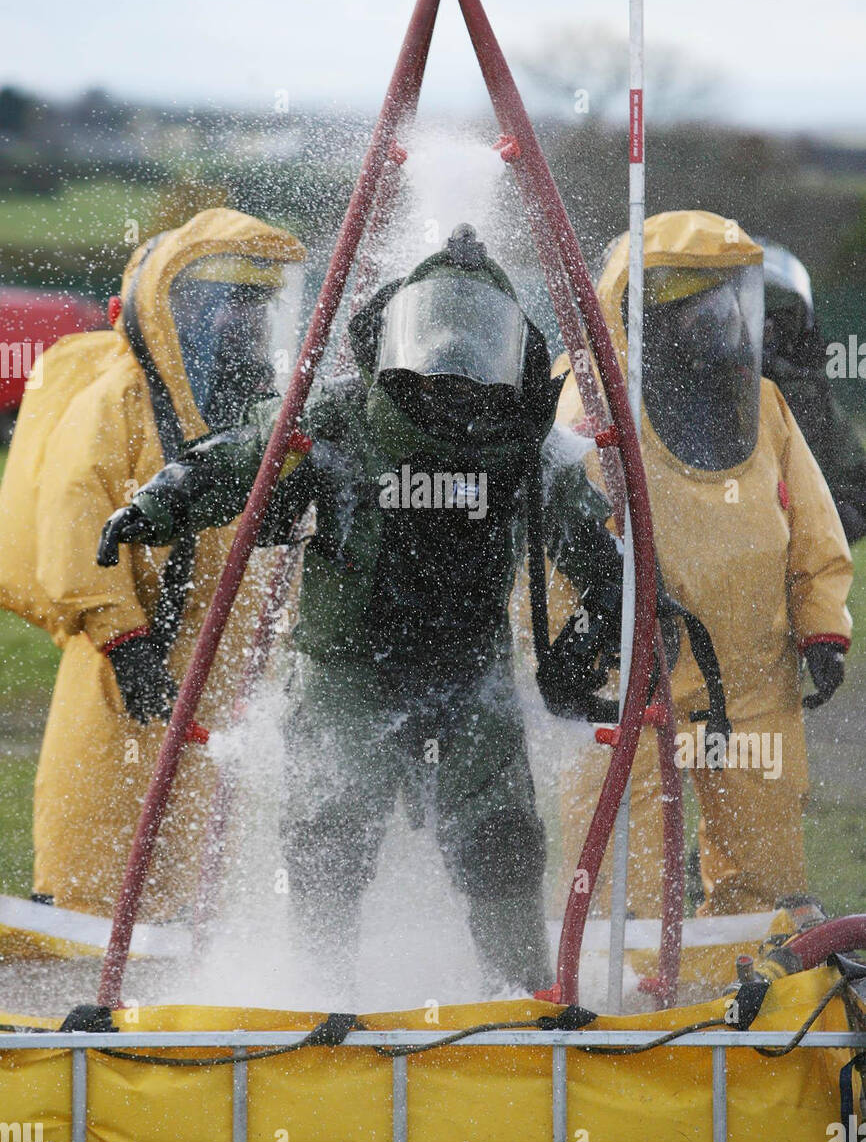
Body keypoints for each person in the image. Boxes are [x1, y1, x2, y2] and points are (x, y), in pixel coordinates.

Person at [97, 224, 620, 993]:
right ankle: (319, 995)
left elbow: (606, 563)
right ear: (397, 339)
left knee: (501, 839)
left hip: (470, 675)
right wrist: (162, 500)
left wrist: (599, 632)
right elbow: (245, 458)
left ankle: (528, 1005)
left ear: (513, 363)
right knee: (328, 833)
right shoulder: (340, 420)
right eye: (438, 349)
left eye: (476, 357)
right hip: (347, 674)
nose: (453, 376)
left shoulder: (525, 447)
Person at [0, 208, 305, 919]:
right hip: (125, 665)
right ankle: (82, 938)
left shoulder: (256, 412)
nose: (246, 323)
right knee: (103, 815)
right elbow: (72, 526)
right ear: (180, 311)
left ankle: (174, 953)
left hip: (219, 672)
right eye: (230, 304)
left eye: (257, 306)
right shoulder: (116, 403)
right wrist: (125, 640)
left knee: (198, 841)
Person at [548, 210, 853, 918]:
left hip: (751, 683)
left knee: (765, 866)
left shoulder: (765, 404)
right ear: (644, 316)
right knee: (624, 879)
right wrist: (582, 659)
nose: (714, 323)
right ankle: (624, 1004)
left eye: (721, 302)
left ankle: (750, 987)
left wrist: (822, 629)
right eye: (690, 308)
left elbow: (813, 529)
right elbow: (565, 555)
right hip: (630, 683)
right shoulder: (587, 410)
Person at [759, 240, 866, 543]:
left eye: (771, 325)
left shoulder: (808, 393)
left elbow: (855, 482)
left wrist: (831, 517)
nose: (764, 330)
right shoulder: (714, 390)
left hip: (799, 555)